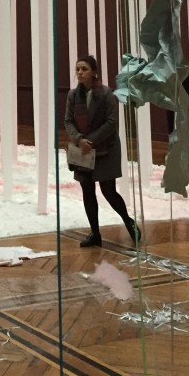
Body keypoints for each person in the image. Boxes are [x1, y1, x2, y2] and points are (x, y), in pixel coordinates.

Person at [64, 55, 140, 248]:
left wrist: (91, 141)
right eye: (78, 69)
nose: (80, 72)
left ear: (94, 72)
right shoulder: (73, 95)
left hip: (106, 149)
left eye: (84, 69)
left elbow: (111, 122)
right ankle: (95, 233)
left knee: (108, 191)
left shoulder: (107, 94)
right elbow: (68, 121)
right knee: (87, 190)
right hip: (83, 150)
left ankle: (128, 221)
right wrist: (79, 139)